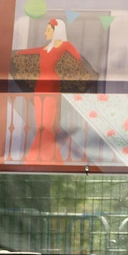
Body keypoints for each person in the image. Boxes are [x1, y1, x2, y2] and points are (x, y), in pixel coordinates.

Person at [12, 18, 90, 163]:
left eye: (48, 30)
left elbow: (77, 58)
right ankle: (44, 156)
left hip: (52, 86)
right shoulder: (45, 48)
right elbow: (31, 51)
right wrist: (16, 53)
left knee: (47, 123)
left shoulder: (64, 45)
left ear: (57, 31)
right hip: (39, 87)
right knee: (41, 122)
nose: (45, 32)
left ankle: (39, 157)